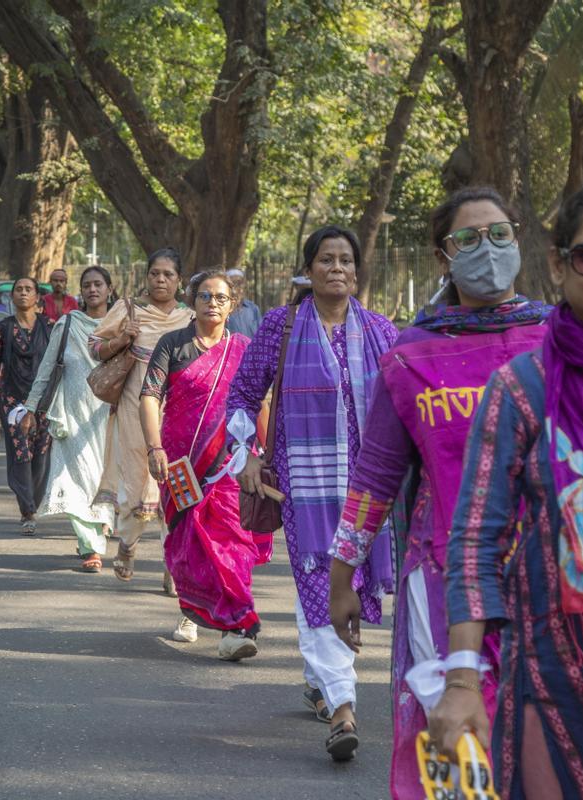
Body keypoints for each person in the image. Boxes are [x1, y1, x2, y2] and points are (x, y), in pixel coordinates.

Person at [428, 180, 583, 799]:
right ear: (560, 264)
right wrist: (461, 680)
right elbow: (476, 540)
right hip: (553, 675)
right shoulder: (522, 388)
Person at [327, 188, 552, 795]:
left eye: (500, 234)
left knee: (550, 744)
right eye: (469, 239)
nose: (488, 249)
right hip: (443, 584)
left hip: (554, 577)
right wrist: (342, 576)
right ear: (442, 256)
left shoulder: (558, 341)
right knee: (460, 753)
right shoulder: (412, 355)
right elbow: (374, 475)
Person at [227, 225, 398, 762]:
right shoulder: (281, 326)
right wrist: (248, 454)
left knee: (342, 586)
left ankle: (317, 677)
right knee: (320, 582)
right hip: (306, 489)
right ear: (310, 268)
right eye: (327, 259)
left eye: (347, 260)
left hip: (371, 492)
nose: (338, 268)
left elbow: (404, 406)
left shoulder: (381, 331)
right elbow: (241, 394)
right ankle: (344, 707)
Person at [139, 270, 262, 657]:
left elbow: (263, 402)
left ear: (233, 304)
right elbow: (149, 396)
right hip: (180, 463)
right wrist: (154, 448)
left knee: (232, 540)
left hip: (232, 461)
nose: (213, 303)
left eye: (221, 298)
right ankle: (195, 611)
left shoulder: (243, 347)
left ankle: (238, 627)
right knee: (189, 540)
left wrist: (271, 452)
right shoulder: (172, 344)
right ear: (192, 301)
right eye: (205, 296)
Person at [91, 248, 194, 584]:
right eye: (155, 273)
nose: (160, 280)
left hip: (177, 415)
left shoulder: (190, 319)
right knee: (138, 487)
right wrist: (122, 338)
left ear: (179, 281)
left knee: (178, 488)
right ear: (146, 277)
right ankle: (128, 543)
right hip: (136, 413)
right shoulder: (129, 309)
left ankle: (173, 565)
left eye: (168, 275)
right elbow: (95, 346)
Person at [22, 266, 119, 568]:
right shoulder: (67, 324)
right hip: (71, 415)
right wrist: (30, 408)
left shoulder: (123, 326)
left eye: (98, 284)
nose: (93, 290)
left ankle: (97, 529)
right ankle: (91, 547)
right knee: (73, 478)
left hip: (111, 414)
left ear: (109, 288)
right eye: (87, 285)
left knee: (103, 478)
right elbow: (48, 367)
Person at [0, 278, 52, 531]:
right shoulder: (3, 329)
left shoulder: (50, 327)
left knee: (40, 455)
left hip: (44, 401)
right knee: (20, 453)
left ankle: (33, 502)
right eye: (18, 290)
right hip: (12, 401)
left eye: (27, 289)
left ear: (37, 297)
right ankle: (28, 510)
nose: (22, 293)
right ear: (12, 297)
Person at [224, 268, 261, 337]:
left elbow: (261, 334)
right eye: (234, 284)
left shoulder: (253, 308)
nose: (238, 288)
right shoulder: (223, 309)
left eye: (240, 284)